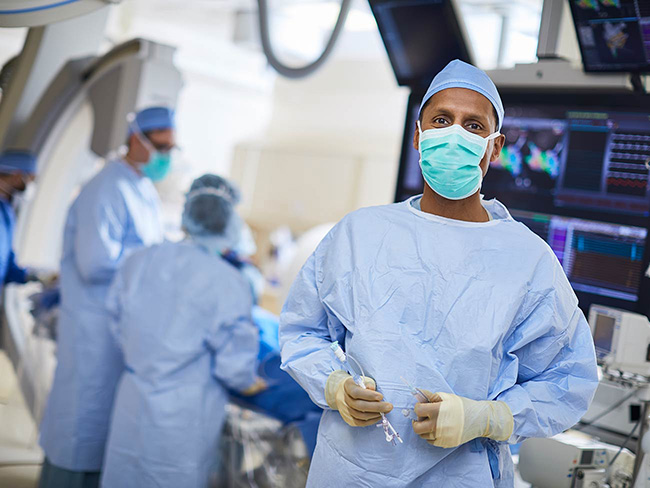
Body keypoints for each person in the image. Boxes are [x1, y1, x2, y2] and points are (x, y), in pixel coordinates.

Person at [279, 59, 599, 487]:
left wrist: (490, 417)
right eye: (442, 120)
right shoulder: (360, 233)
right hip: (352, 472)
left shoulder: (527, 260)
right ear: (418, 135)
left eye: (473, 126)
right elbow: (302, 331)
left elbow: (569, 377)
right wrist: (334, 386)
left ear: (495, 146)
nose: (454, 135)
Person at [39, 107, 175, 488]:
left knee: (101, 424)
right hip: (92, 326)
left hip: (118, 326)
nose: (166, 156)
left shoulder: (142, 188)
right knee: (80, 419)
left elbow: (150, 247)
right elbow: (95, 263)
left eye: (171, 148)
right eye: (162, 146)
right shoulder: (105, 188)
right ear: (137, 139)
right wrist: (150, 265)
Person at [100, 174, 264, 488]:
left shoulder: (140, 261)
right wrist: (248, 382)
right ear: (229, 222)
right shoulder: (227, 282)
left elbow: (115, 322)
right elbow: (235, 366)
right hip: (183, 415)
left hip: (132, 400)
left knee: (123, 476)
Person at [0, 150, 40, 291]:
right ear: (17, 176)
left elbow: (6, 263)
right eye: (30, 178)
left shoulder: (6, 212)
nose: (31, 184)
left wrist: (30, 276)